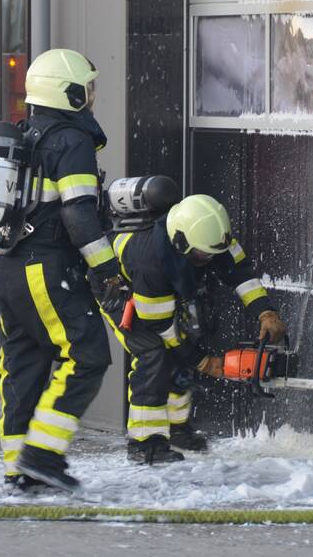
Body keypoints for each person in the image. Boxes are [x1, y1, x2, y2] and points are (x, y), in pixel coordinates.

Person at [0, 48, 124, 493]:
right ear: (67, 92)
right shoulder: (71, 141)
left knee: (23, 366)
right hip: (46, 269)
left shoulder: (26, 136)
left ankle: (18, 470)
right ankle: (43, 457)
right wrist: (108, 270)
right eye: (87, 88)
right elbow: (79, 215)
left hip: (7, 269)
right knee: (87, 357)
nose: (92, 96)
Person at [97, 194, 288, 464]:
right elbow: (161, 326)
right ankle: (145, 444)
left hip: (163, 290)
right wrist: (205, 363)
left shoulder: (211, 237)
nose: (209, 260)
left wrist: (265, 312)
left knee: (184, 346)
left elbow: (241, 273)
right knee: (154, 353)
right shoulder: (149, 260)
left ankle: (176, 430)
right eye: (202, 255)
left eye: (213, 254)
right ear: (181, 242)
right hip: (120, 290)